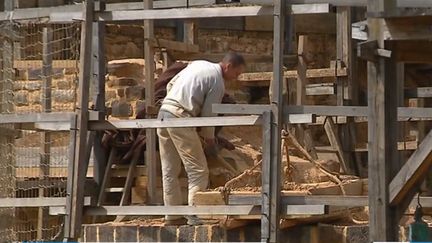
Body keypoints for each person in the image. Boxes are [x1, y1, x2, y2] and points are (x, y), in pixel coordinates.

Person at [157, 52, 246, 225]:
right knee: (198, 170)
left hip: (164, 113)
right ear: (228, 66)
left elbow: (171, 84)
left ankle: (172, 216)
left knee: (170, 170)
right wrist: (210, 141)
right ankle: (194, 215)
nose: (236, 78)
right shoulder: (217, 81)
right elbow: (208, 114)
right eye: (236, 73)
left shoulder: (198, 64)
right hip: (180, 117)